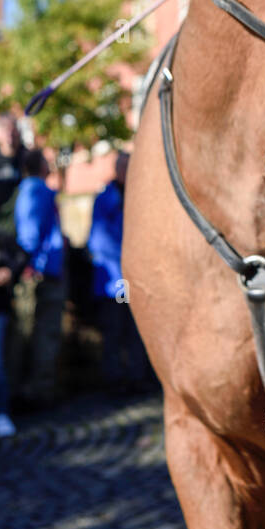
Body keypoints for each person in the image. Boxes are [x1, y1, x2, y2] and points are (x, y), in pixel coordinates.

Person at [88, 152, 150, 393]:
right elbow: (100, 240)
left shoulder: (136, 194)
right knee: (115, 329)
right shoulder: (107, 197)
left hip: (134, 278)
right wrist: (129, 258)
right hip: (116, 280)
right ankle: (115, 379)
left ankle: (137, 376)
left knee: (136, 329)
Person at [14, 148, 66, 407]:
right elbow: (30, 232)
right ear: (40, 166)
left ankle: (34, 389)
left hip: (42, 270)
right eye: (47, 161)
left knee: (37, 333)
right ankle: (37, 392)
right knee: (43, 334)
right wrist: (28, 262)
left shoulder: (32, 190)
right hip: (41, 273)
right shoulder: (36, 190)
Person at [0, 113, 28, 435]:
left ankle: (4, 410)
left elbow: (16, 249)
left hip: (0, 298)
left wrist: (10, 271)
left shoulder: (0, 229)